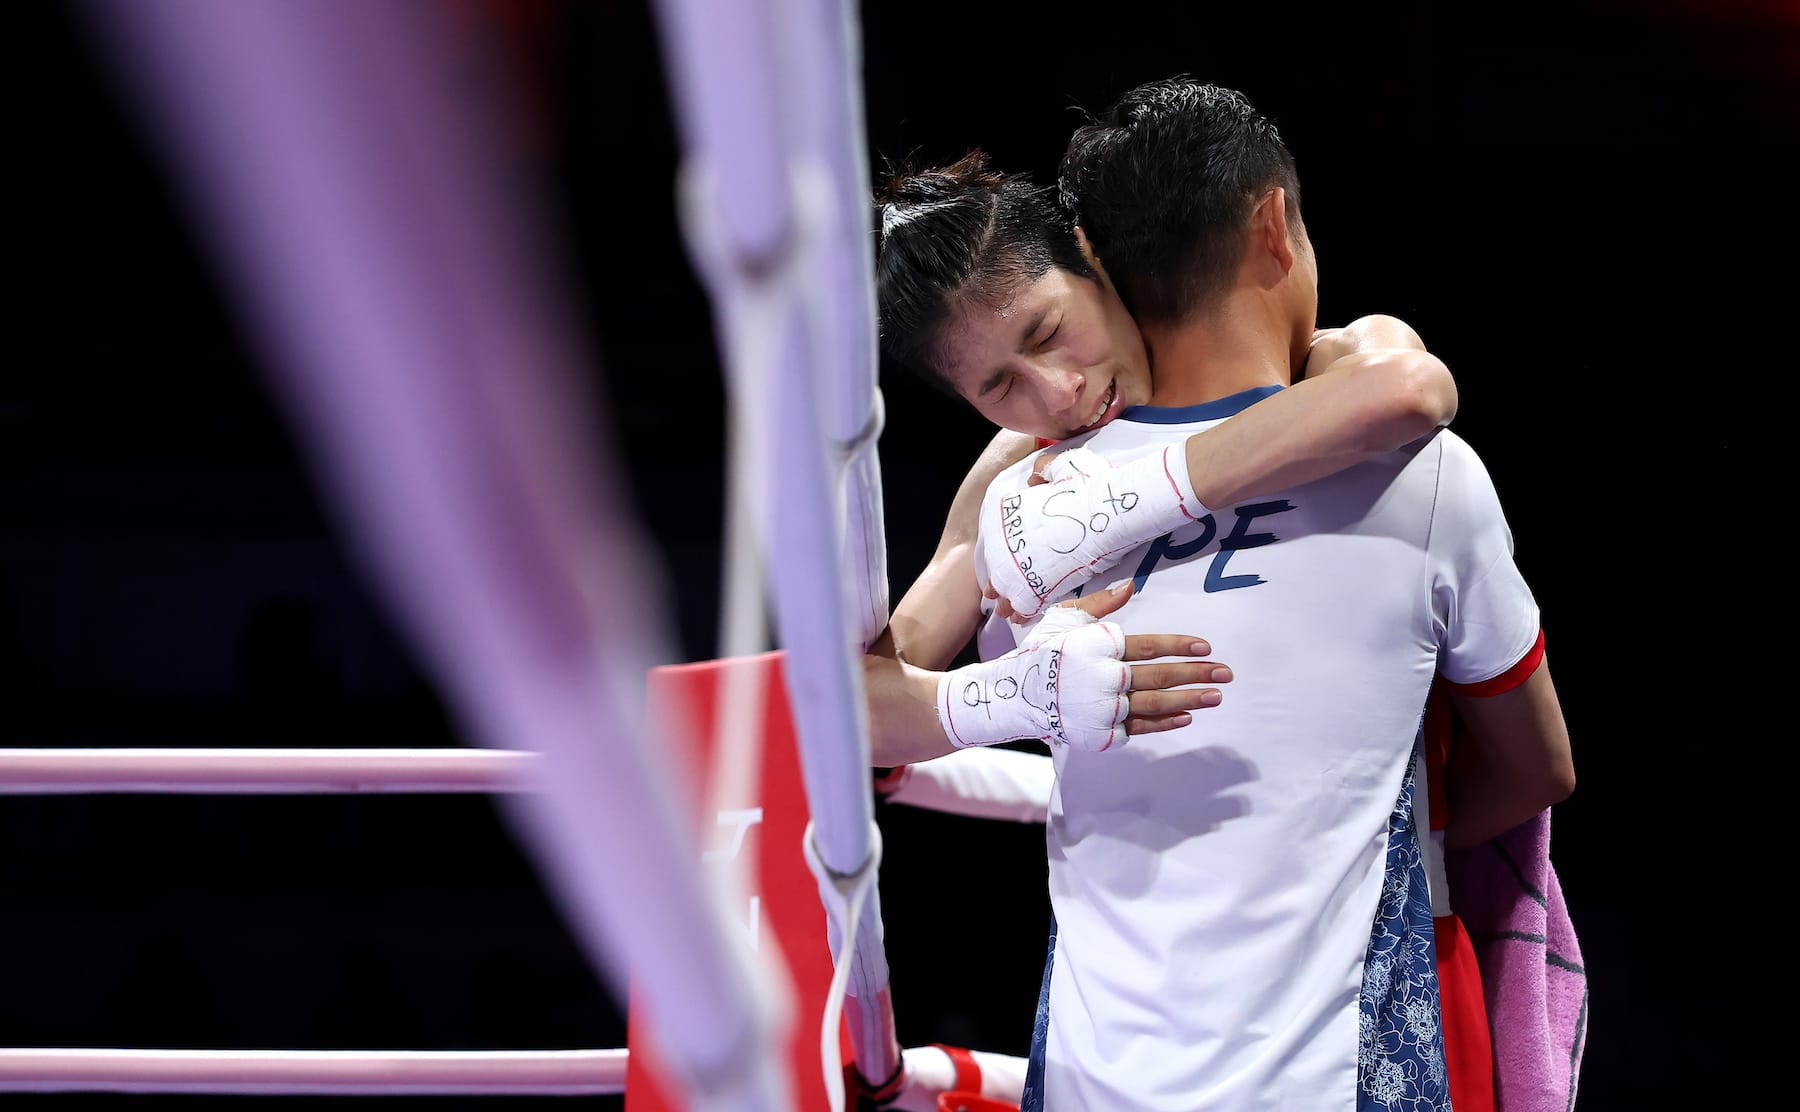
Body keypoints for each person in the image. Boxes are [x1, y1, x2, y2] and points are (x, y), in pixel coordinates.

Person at [870, 80, 1575, 1110]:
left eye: (1049, 332)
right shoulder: (1018, 492)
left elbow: (1407, 384)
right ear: (1276, 226)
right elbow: (850, 708)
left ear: (1095, 259)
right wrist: (1017, 696)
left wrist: (1113, 505)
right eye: (1000, 387)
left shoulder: (1037, 502)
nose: (1056, 392)